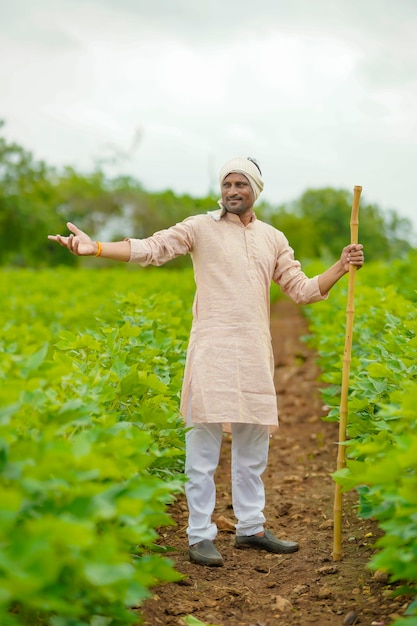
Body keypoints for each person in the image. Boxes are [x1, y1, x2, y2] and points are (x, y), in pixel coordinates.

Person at [48, 156, 364, 567]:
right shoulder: (200, 227)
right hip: (212, 347)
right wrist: (98, 248)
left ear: (256, 190)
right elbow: (152, 248)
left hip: (254, 350)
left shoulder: (273, 238)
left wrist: (340, 267)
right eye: (227, 184)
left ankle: (251, 528)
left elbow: (301, 290)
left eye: (241, 184)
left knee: (253, 447)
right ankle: (200, 535)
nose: (233, 191)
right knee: (203, 447)